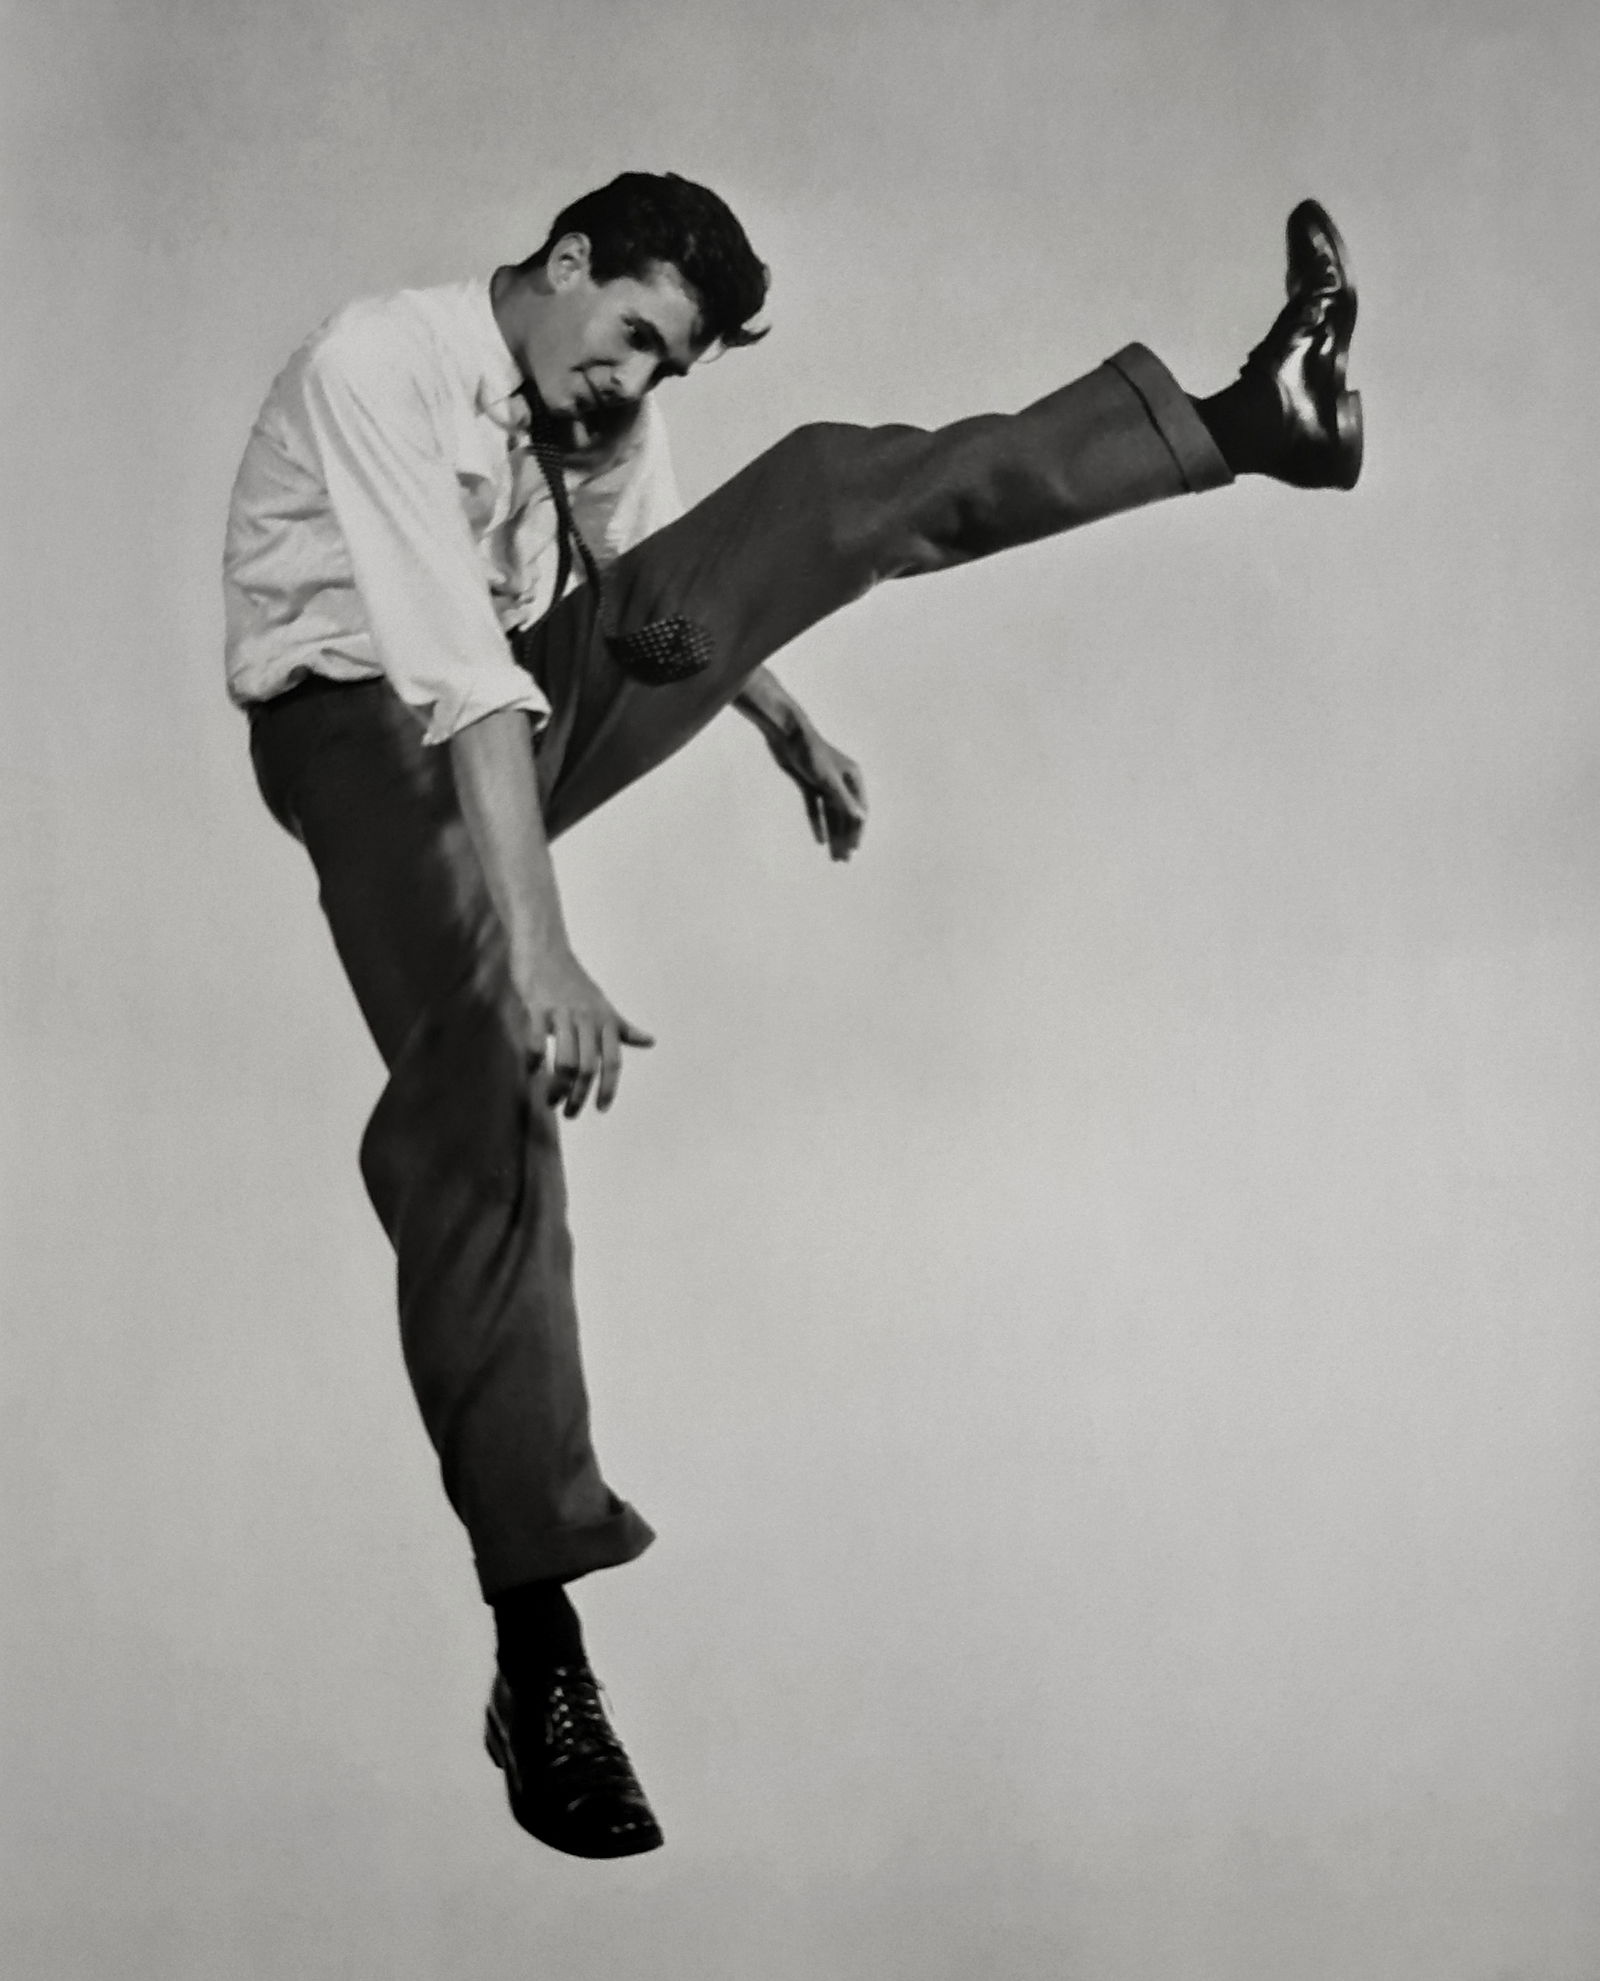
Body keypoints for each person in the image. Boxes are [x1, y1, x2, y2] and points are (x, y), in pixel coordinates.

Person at [224, 171, 1363, 1860]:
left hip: (518, 694)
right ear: (560, 264)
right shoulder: (377, 367)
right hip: (359, 734)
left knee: (826, 482)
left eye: (668, 369)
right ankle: (539, 1647)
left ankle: (1238, 420)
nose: (634, 387)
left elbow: (653, 584)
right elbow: (462, 677)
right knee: (486, 1077)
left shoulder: (586, 412)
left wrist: (774, 711)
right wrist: (540, 953)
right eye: (629, 338)